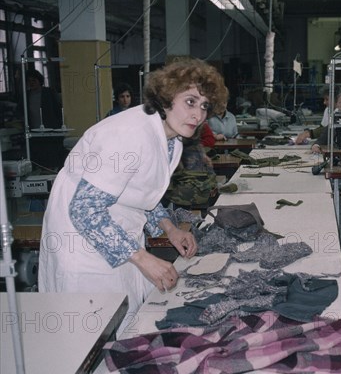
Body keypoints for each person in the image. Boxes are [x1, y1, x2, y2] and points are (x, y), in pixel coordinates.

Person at [38, 58, 229, 334]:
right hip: (82, 243)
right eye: (190, 102)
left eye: (204, 106)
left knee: (123, 322)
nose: (198, 114)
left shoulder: (171, 140)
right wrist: (143, 258)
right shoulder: (127, 135)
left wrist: (170, 230)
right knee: (89, 334)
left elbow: (141, 193)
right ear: (166, 98)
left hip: (118, 234)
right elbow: (85, 210)